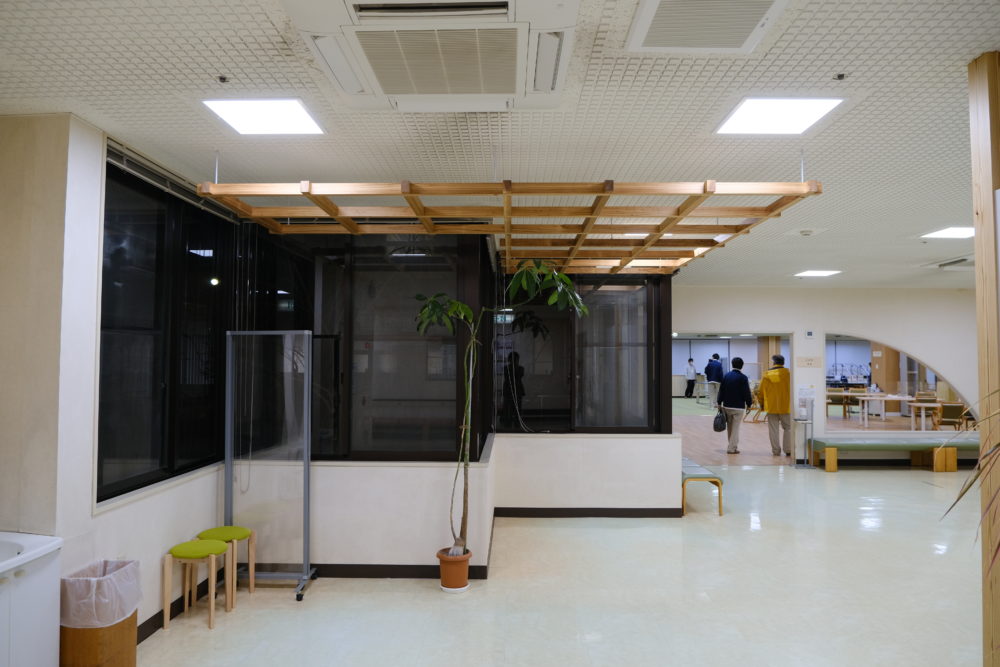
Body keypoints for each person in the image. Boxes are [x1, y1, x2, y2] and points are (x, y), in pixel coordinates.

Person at [716, 357, 753, 454]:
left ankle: (732, 446)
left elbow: (721, 390)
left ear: (732, 364)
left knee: (730, 428)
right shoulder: (743, 378)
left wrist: (719, 402)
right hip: (738, 407)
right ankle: (731, 448)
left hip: (727, 406)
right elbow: (746, 393)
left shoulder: (726, 376)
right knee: (735, 429)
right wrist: (749, 404)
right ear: (742, 366)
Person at [760, 354, 792, 456]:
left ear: (773, 362)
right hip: (786, 406)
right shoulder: (789, 374)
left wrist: (762, 404)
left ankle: (776, 451)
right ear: (783, 362)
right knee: (788, 428)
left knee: (773, 430)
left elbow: (761, 392)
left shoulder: (766, 375)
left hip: (771, 406)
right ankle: (788, 450)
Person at [501, 352, 525, 428]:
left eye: (516, 359)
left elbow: (519, 375)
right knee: (508, 408)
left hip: (516, 390)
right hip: (509, 390)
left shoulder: (520, 368)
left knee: (517, 408)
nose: (515, 361)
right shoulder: (507, 368)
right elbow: (511, 376)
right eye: (514, 359)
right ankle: (508, 423)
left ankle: (516, 423)